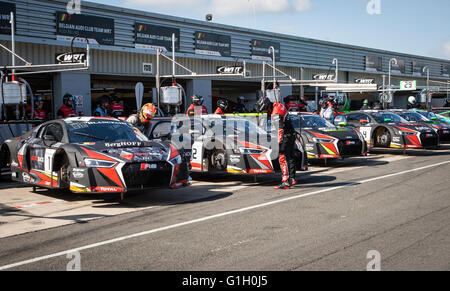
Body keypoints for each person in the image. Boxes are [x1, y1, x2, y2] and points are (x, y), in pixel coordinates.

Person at [256, 96, 297, 190]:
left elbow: (280, 128)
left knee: (282, 157)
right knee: (290, 157)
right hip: (291, 133)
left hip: (285, 135)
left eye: (265, 110)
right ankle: (292, 178)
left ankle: (285, 181)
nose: (265, 112)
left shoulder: (275, 112)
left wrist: (278, 142)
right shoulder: (278, 105)